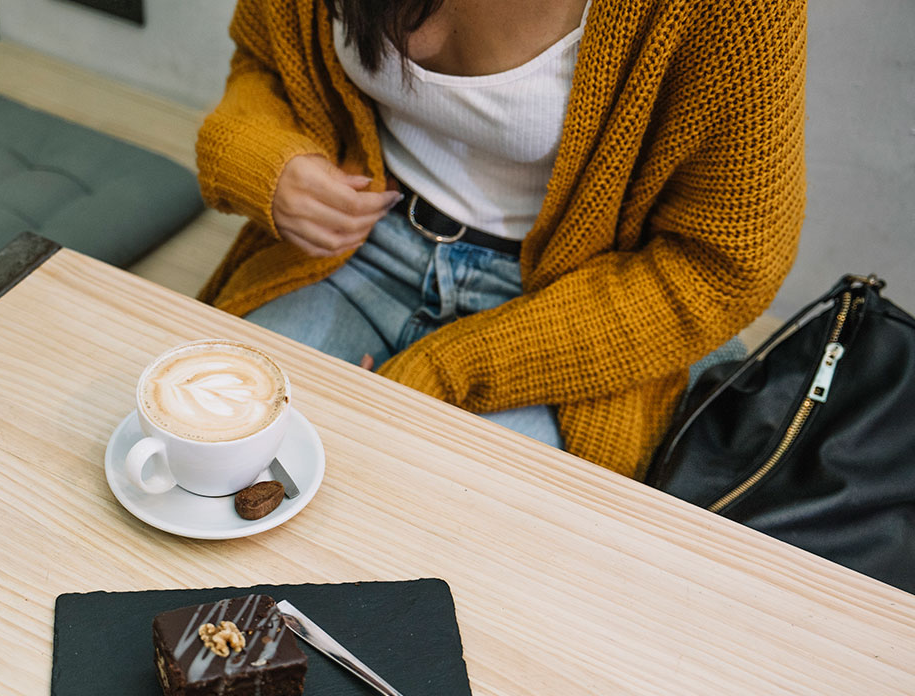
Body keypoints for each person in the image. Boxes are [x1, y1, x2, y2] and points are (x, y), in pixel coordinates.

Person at [196, 0, 805, 475]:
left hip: (562, 311)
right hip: (352, 250)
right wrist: (261, 160)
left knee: (440, 553)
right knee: (210, 459)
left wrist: (446, 368)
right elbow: (263, 61)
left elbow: (722, 268)